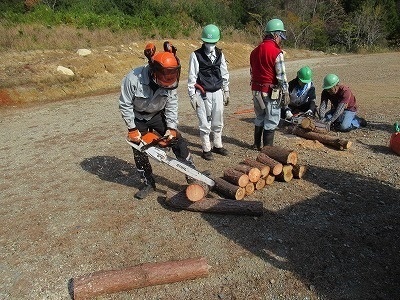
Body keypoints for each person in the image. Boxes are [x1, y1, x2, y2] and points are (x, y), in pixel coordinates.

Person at [119, 42, 196, 199]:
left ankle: (192, 173)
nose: (167, 80)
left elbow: (172, 104)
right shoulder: (133, 79)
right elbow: (124, 104)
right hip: (138, 117)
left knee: (177, 141)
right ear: (154, 71)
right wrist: (132, 128)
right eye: (164, 77)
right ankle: (148, 182)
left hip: (157, 115)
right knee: (139, 149)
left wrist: (172, 127)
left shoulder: (171, 81)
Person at [188, 24, 230, 161]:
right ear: (203, 41)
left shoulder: (220, 54)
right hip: (202, 93)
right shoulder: (196, 55)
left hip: (217, 91)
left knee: (218, 120)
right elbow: (192, 76)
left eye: (213, 42)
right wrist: (192, 95)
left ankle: (217, 145)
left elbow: (224, 72)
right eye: (208, 42)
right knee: (204, 122)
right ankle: (206, 148)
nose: (210, 45)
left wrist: (226, 90)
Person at [250, 18, 290, 149]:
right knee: (272, 119)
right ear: (276, 35)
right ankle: (268, 149)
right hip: (270, 91)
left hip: (256, 90)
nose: (280, 40)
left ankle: (256, 144)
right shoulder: (276, 52)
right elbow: (281, 76)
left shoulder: (254, 51)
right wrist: (285, 91)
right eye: (280, 37)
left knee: (260, 116)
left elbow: (252, 72)